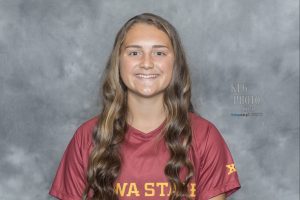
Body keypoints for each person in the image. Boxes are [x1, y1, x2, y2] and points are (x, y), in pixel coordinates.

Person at [49, 13, 241, 200]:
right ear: (118, 63)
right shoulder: (87, 137)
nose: (147, 63)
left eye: (159, 53)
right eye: (134, 53)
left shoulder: (205, 136)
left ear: (175, 63)